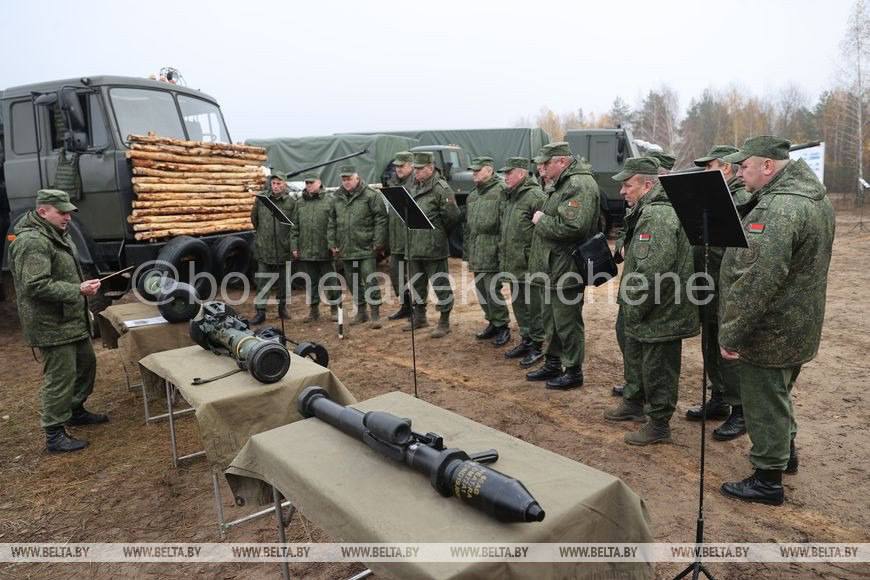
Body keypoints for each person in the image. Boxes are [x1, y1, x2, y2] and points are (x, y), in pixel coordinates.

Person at [717, 136, 835, 505]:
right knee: (779, 392)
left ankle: (768, 478)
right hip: (798, 323)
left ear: (768, 166)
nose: (739, 174)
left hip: (771, 328)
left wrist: (732, 332)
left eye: (745, 166)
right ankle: (787, 455)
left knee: (764, 399)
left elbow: (758, 281)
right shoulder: (812, 197)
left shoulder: (779, 210)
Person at [604, 157, 699, 445]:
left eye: (627, 185)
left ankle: (659, 424)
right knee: (640, 357)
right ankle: (635, 402)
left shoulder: (657, 216)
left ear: (647, 184)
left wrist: (635, 308)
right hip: (651, 305)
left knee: (659, 366)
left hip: (661, 309)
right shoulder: (647, 210)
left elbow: (651, 271)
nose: (622, 191)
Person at [9, 189, 108, 453]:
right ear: (43, 211)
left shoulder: (57, 235)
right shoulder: (31, 242)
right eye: (62, 212)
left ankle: (75, 410)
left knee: (86, 364)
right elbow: (35, 285)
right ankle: (54, 434)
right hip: (51, 324)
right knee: (60, 378)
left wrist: (82, 288)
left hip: (71, 319)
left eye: (69, 212)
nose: (68, 217)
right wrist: (77, 290)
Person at [684, 145, 751, 440]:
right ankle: (719, 399)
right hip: (707, 283)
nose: (703, 173)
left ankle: (740, 410)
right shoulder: (711, 198)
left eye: (708, 167)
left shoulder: (743, 198)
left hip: (728, 288)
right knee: (710, 343)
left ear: (725, 168)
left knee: (729, 349)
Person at [525, 142, 600, 390]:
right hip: (552, 266)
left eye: (545, 164)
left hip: (567, 267)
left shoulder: (579, 184)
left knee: (567, 322)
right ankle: (553, 362)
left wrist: (542, 220)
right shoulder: (560, 183)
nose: (541, 169)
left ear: (561, 161)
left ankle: (573, 370)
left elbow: (573, 227)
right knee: (551, 320)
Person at [403, 151, 461, 338]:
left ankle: (444, 321)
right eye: (415, 169)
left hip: (434, 247)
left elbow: (452, 217)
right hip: (414, 245)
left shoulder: (441, 189)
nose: (416, 172)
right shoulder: (412, 186)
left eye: (420, 169)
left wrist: (437, 233)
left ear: (430, 167)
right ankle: (420, 317)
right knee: (417, 284)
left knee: (440, 284)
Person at [499, 157, 547, 365]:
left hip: (530, 263)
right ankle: (526, 340)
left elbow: (544, 229)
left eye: (509, 173)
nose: (505, 177)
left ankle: (537, 345)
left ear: (521, 173)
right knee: (519, 305)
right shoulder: (511, 196)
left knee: (534, 307)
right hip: (513, 261)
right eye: (505, 173)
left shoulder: (535, 196)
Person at [328, 165, 387, 328]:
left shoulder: (370, 195)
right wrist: (332, 242)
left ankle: (375, 313)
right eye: (343, 179)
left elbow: (381, 219)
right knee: (352, 281)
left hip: (366, 246)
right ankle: (361, 312)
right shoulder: (337, 198)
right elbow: (331, 222)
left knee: (369, 279)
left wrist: (378, 241)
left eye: (349, 179)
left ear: (357, 178)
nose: (346, 182)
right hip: (346, 247)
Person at [464, 156, 510, 346]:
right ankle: (492, 321)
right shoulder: (473, 194)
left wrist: (501, 252)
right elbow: (468, 228)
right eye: (473, 170)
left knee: (492, 289)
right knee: (481, 289)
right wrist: (467, 253)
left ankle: (502, 326)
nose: (474, 173)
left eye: (478, 169)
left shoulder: (502, 191)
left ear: (490, 170)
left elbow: (505, 225)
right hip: (477, 250)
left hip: (493, 250)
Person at [290, 172, 341, 322]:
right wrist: (294, 246)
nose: (309, 185)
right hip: (306, 250)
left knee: (331, 280)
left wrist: (334, 244)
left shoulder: (330, 201)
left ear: (319, 183)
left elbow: (336, 225)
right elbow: (294, 226)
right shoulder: (300, 203)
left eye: (311, 182)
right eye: (307, 183)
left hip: (324, 249)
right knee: (311, 282)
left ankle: (335, 309)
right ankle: (313, 311)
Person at [250, 171, 295, 325]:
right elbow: (254, 219)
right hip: (264, 248)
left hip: (283, 248)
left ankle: (282, 309)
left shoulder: (290, 202)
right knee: (263, 281)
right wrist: (263, 236)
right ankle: (260, 311)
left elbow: (294, 226)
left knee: (284, 282)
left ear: (284, 184)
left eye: (279, 183)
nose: (275, 186)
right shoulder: (262, 199)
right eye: (274, 183)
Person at [385, 151, 415, 320]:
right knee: (395, 273)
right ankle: (406, 305)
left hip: (412, 239)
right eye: (396, 166)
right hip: (396, 238)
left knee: (415, 277)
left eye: (401, 166)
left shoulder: (417, 183)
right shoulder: (393, 183)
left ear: (411, 165)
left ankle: (418, 310)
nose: (398, 169)